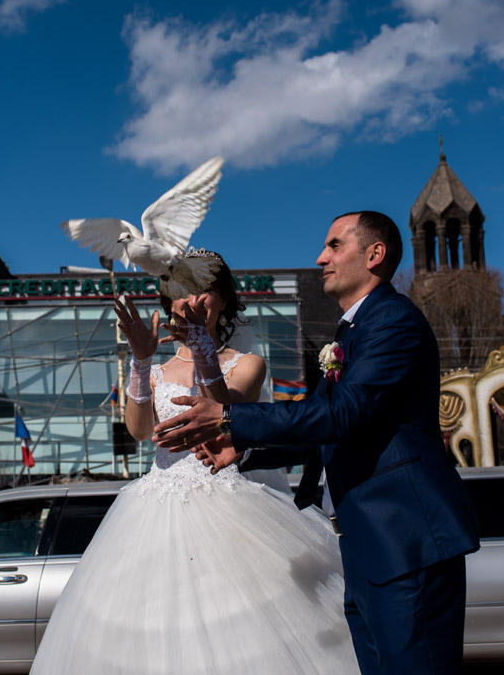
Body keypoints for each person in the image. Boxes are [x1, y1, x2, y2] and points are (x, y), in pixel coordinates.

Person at [154, 212, 480, 675]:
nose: (319, 257)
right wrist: (243, 450)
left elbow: (341, 414)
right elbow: (327, 432)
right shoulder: (353, 329)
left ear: (374, 254)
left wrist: (230, 418)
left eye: (333, 245)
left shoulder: (393, 321)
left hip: (407, 542)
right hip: (371, 545)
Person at [30, 250, 359, 675]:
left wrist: (204, 349)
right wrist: (141, 359)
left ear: (222, 299)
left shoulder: (249, 364)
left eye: (202, 291)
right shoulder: (156, 369)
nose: (190, 301)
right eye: (180, 292)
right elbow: (138, 430)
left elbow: (224, 413)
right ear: (168, 301)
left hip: (228, 505)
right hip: (152, 509)